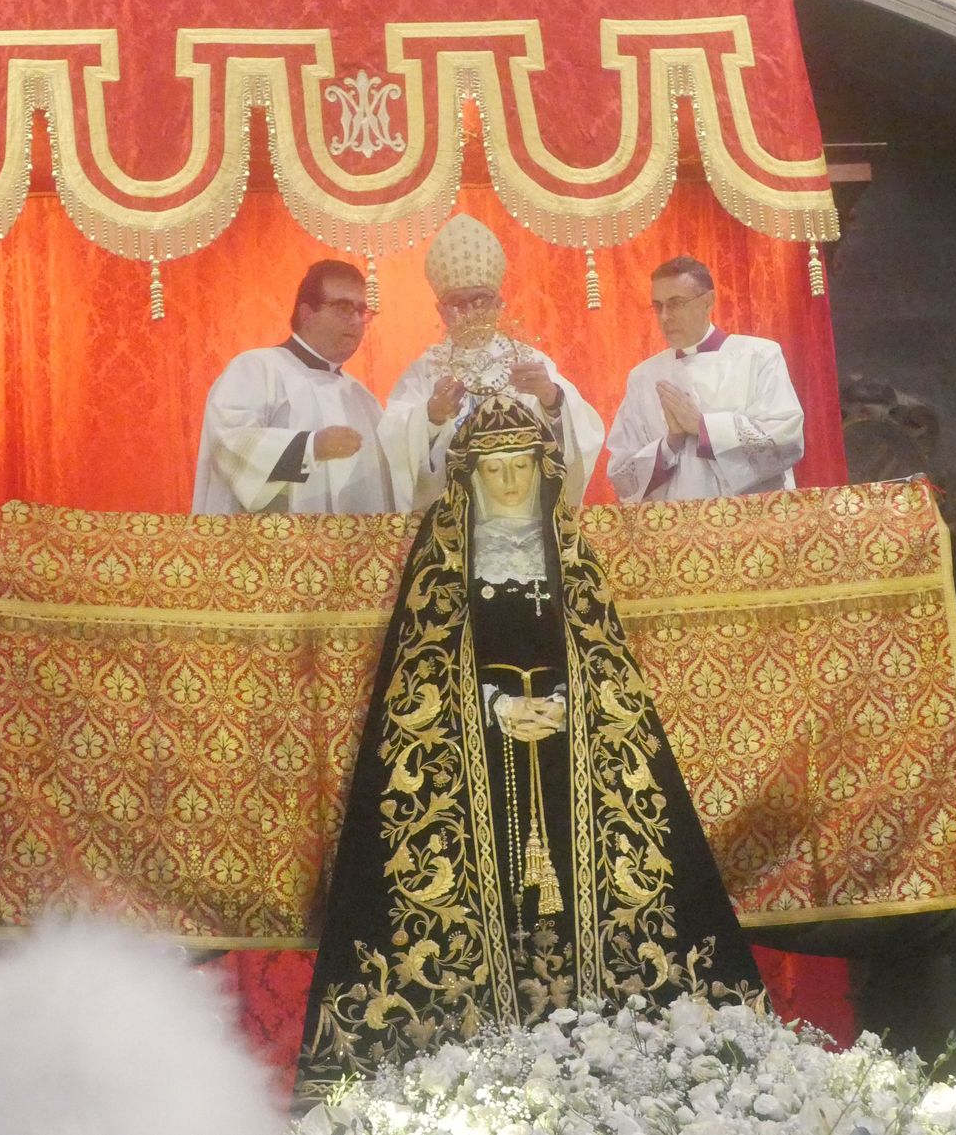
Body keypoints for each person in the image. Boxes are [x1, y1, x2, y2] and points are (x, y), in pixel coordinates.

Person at [296, 396, 763, 1103]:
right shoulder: (442, 559)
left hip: (572, 758)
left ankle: (623, 1060)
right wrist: (494, 706)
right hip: (469, 764)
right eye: (495, 469)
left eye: (522, 467)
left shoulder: (569, 552)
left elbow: (606, 660)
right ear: (470, 476)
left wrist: (571, 706)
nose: (510, 484)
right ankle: (458, 1066)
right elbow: (418, 671)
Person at [379, 213, 603, 510]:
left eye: (481, 299)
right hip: (453, 514)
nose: (471, 312)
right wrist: (430, 416)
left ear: (499, 303)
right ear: (441, 311)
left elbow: (581, 436)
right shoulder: (424, 370)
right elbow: (393, 438)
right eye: (458, 302)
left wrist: (551, 399)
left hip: (524, 513)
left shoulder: (530, 361)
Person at [193, 260, 393, 514]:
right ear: (306, 313)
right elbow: (229, 445)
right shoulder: (256, 369)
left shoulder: (363, 399)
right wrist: (310, 447)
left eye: (361, 310)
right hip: (274, 547)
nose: (356, 321)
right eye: (343, 307)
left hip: (352, 551)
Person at [606, 255, 804, 502]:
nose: (664, 317)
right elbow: (622, 479)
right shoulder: (643, 378)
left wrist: (702, 427)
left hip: (749, 524)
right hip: (673, 531)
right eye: (658, 306)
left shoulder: (759, 356)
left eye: (676, 303)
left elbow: (786, 440)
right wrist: (670, 444)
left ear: (708, 301)